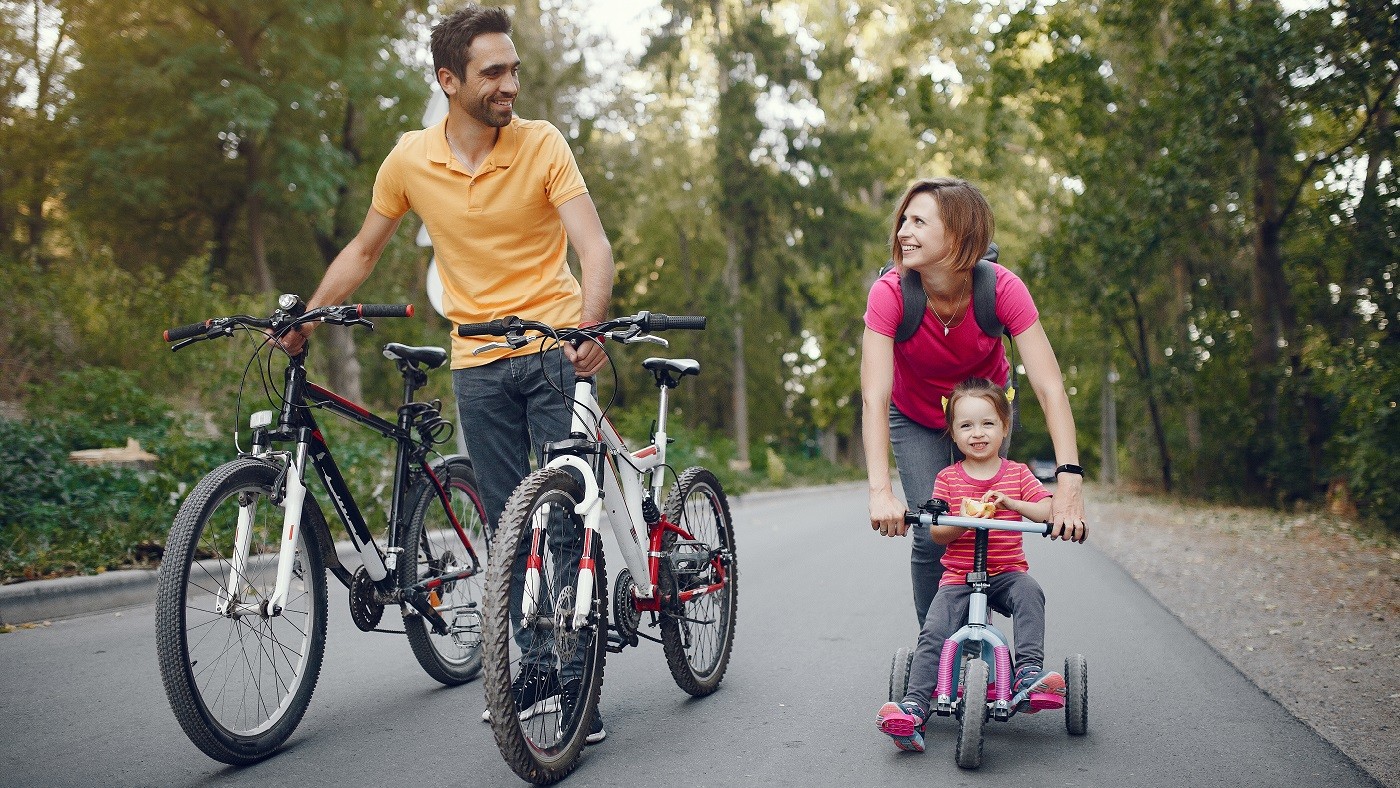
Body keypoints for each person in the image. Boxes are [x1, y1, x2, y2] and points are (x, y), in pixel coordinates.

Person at [279, 5, 615, 743]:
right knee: (504, 527)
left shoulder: (541, 144)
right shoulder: (408, 160)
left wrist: (588, 329)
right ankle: (530, 666)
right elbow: (364, 250)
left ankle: (576, 675)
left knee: (561, 519)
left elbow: (594, 248)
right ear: (448, 79)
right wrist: (307, 312)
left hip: (556, 351)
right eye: (494, 72)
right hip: (478, 363)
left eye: (514, 69)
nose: (511, 84)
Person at [861, 177, 1087, 628]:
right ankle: (938, 652)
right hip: (915, 414)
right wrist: (880, 491)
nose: (904, 231)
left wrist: (1069, 484)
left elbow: (1050, 387)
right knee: (933, 530)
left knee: (986, 522)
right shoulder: (890, 294)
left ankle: (985, 627)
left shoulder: (1002, 289)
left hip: (983, 410)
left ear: (959, 235)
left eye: (919, 221)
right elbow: (874, 395)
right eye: (903, 219)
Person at [875, 378, 1087, 753]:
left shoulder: (1018, 473)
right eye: (966, 426)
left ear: (1004, 428)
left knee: (1030, 592)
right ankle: (914, 706)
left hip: (1006, 573)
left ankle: (1027, 673)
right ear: (953, 434)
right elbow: (938, 534)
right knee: (935, 629)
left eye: (988, 423)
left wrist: (1011, 504)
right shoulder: (947, 478)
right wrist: (963, 516)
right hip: (958, 576)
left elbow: (1046, 508)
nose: (978, 433)